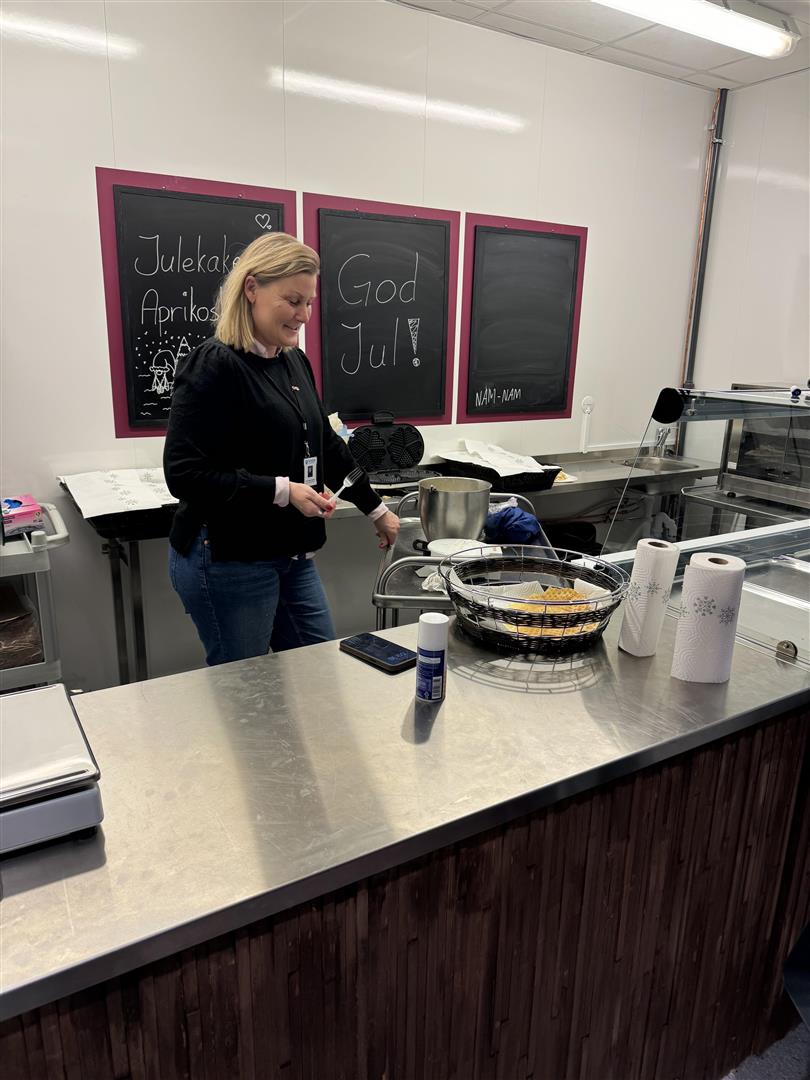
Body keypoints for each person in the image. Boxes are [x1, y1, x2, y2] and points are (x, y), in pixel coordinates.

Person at [163, 232, 400, 665]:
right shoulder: (215, 364)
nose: (304, 315)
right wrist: (283, 490)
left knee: (318, 672)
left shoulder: (293, 360)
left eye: (309, 303)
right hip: (229, 558)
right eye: (293, 301)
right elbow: (184, 475)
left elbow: (326, 444)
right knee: (246, 688)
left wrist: (376, 509)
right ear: (252, 288)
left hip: (291, 554)